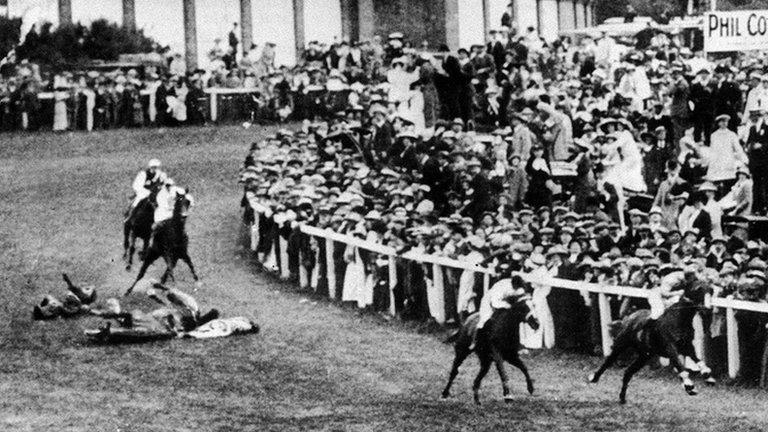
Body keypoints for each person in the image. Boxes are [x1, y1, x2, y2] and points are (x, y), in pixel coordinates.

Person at [470, 272, 529, 350]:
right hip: (489, 301)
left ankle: (517, 344)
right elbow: (495, 303)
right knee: (484, 320)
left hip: (507, 301)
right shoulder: (501, 288)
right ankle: (475, 342)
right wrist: (507, 305)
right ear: (513, 285)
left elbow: (523, 296)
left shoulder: (519, 284)